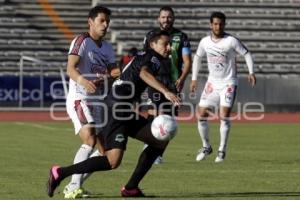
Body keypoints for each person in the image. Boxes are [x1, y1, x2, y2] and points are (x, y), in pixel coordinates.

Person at [46, 30, 181, 198]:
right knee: (111, 161)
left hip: (121, 109)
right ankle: (61, 172)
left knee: (159, 141)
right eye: (165, 44)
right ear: (153, 44)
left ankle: (131, 187)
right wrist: (166, 92)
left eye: (169, 44)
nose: (169, 48)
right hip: (116, 109)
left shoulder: (147, 57)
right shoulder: (151, 57)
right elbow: (143, 74)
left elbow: (128, 76)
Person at [63, 5, 120, 199]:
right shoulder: (81, 41)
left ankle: (73, 184)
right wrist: (84, 82)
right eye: (101, 21)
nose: (105, 25)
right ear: (90, 22)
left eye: (107, 21)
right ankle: (73, 187)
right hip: (80, 98)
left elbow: (114, 71)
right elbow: (70, 69)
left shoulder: (107, 47)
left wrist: (113, 75)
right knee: (90, 139)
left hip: (99, 101)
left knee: (106, 154)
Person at [190, 11, 256, 163]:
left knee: (223, 115)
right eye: (215, 24)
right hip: (212, 83)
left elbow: (246, 53)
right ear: (210, 24)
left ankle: (221, 150)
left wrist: (251, 72)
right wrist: (194, 79)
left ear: (224, 24)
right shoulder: (205, 42)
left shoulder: (231, 41)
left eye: (220, 24)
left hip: (228, 83)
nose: (218, 26)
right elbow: (198, 58)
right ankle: (206, 146)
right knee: (201, 115)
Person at [143, 6, 192, 164]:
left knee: (169, 120)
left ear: (174, 18)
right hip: (156, 82)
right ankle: (148, 149)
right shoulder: (151, 35)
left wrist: (183, 78)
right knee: (154, 115)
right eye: (163, 17)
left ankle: (157, 154)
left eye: (169, 17)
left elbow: (187, 61)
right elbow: (145, 58)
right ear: (159, 19)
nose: (166, 20)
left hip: (173, 83)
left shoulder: (181, 37)